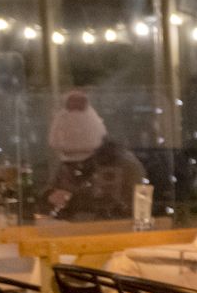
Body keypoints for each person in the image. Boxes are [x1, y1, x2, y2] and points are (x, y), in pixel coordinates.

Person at [42, 90, 146, 220]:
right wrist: (50, 196)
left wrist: (73, 201)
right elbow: (52, 190)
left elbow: (129, 209)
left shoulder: (124, 166)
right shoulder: (68, 165)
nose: (73, 161)